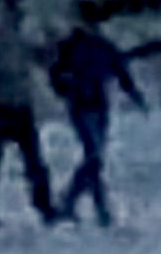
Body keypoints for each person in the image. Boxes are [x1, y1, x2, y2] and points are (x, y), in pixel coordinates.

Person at [44, 12, 146, 226]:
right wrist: (64, 90)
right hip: (81, 107)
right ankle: (78, 203)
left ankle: (90, 207)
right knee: (94, 155)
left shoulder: (101, 46)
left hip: (99, 107)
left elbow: (120, 70)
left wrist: (134, 94)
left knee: (94, 158)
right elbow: (55, 73)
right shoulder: (71, 46)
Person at [0, 0, 57, 227]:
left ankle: (43, 206)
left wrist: (51, 44)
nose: (20, 15)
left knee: (32, 162)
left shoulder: (19, 38)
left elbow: (43, 61)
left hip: (18, 105)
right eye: (17, 10)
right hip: (0, 105)